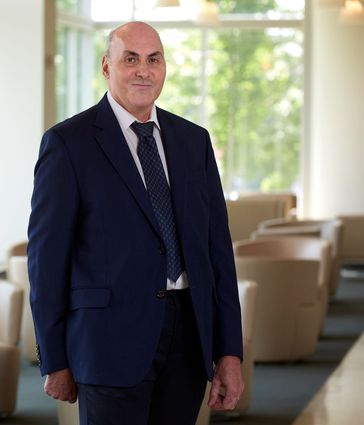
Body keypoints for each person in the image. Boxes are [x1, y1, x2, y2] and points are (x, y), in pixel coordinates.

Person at [27, 21, 244, 424]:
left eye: (153, 59)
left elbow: (218, 254)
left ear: (164, 68)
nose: (143, 70)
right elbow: (45, 261)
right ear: (107, 68)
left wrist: (229, 350)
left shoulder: (194, 142)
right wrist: (53, 359)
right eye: (131, 59)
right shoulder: (68, 144)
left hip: (189, 339)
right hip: (107, 343)